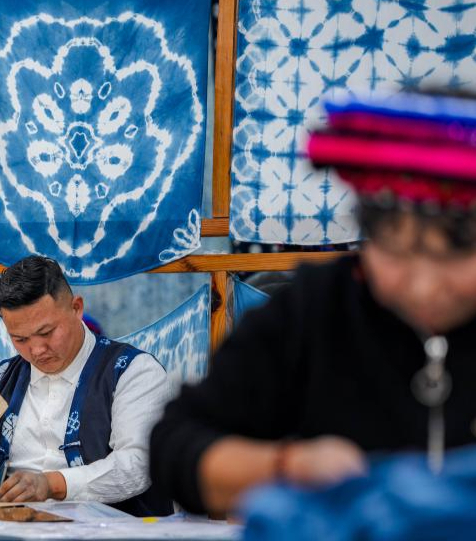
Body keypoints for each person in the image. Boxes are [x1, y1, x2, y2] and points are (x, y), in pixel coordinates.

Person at [150, 90, 476, 516]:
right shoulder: (315, 309)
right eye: (395, 250)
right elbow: (177, 447)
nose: (424, 287)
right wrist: (287, 466)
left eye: (454, 254)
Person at [0, 256, 175, 516]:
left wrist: (52, 484)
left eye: (46, 332)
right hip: (8, 529)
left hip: (109, 533)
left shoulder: (132, 371)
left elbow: (138, 465)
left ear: (76, 308)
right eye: (20, 339)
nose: (37, 350)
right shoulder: (0, 379)